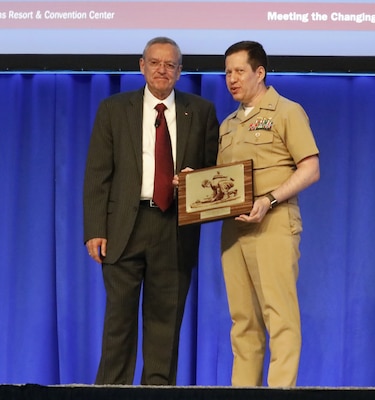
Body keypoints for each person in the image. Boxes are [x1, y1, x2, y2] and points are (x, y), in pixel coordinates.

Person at [83, 36, 219, 385]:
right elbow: (98, 173)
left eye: (170, 64)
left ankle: (158, 392)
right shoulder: (113, 109)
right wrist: (95, 228)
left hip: (175, 227)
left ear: (179, 71)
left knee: (165, 325)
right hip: (123, 226)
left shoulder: (201, 111)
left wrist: (197, 179)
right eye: (155, 63)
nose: (162, 70)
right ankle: (111, 391)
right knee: (118, 323)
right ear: (141, 66)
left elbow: (215, 170)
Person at [218, 40, 320, 387]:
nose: (232, 79)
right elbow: (220, 183)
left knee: (280, 318)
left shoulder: (287, 111)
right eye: (227, 72)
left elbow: (310, 168)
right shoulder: (227, 124)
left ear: (259, 73)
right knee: (243, 322)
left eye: (239, 71)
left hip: (274, 224)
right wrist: (193, 186)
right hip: (234, 232)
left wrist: (270, 200)